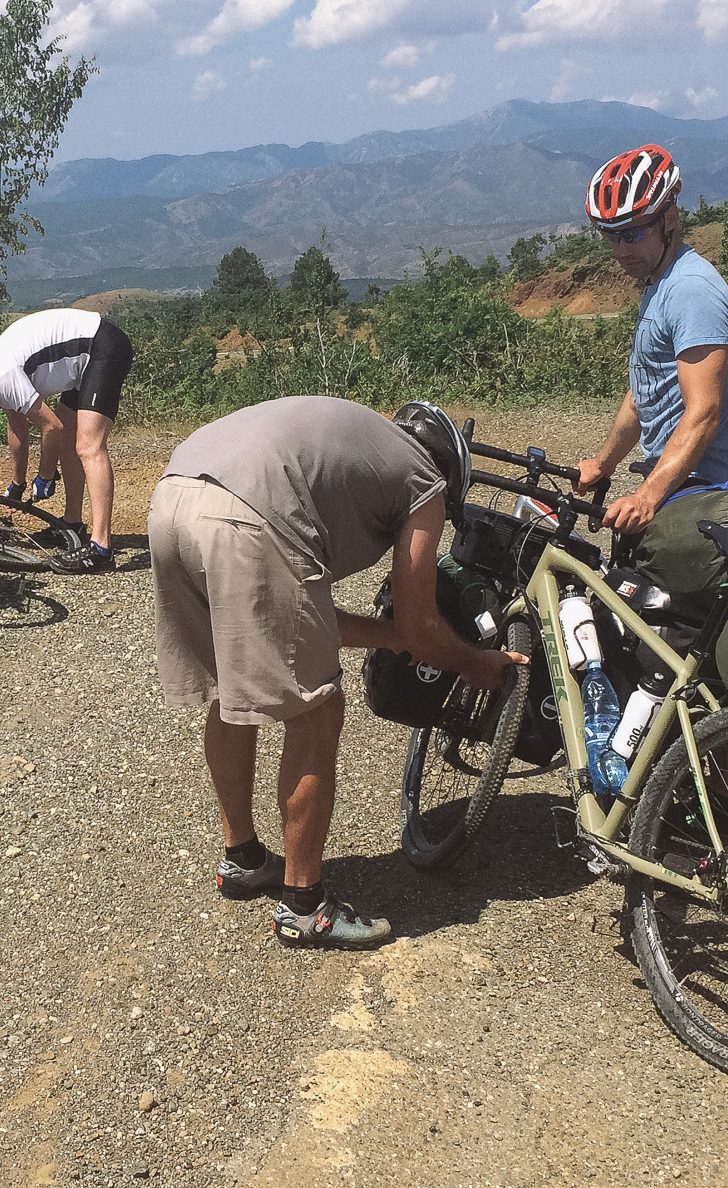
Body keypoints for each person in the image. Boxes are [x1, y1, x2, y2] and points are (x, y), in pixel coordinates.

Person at [150, 397, 528, 950]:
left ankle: (243, 860)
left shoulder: (360, 447)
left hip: (173, 496)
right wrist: (478, 664)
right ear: (450, 475)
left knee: (230, 687)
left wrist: (391, 636)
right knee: (318, 711)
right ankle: (304, 908)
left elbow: (297, 609)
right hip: (248, 518)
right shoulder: (425, 482)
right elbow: (421, 626)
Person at [572, 144, 728, 594]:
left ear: (670, 219)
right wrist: (602, 464)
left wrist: (647, 497)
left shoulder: (691, 290)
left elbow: (704, 412)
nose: (620, 249)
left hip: (711, 491)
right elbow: (644, 394)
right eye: (610, 235)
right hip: (680, 482)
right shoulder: (659, 284)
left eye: (633, 233)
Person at [0, 307, 133, 574]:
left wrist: (45, 476)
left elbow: (52, 427)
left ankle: (101, 549)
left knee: (89, 447)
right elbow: (17, 428)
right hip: (84, 358)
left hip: (102, 347)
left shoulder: (2, 378)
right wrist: (17, 484)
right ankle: (72, 524)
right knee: (69, 443)